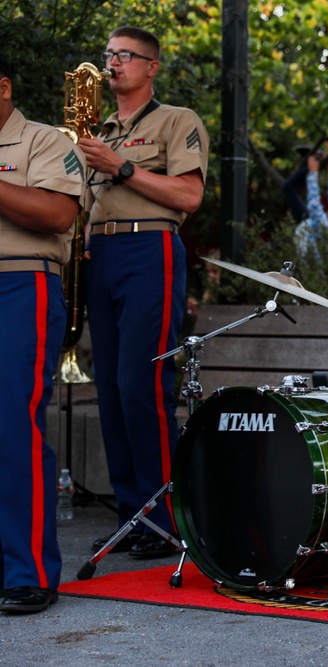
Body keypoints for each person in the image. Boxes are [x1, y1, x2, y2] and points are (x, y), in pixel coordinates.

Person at [78, 26, 209, 559]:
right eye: (108, 55)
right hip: (101, 256)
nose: (113, 64)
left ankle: (165, 516)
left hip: (148, 249)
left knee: (143, 382)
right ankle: (133, 515)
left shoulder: (177, 120)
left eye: (124, 56)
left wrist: (123, 167)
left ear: (151, 66)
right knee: (108, 387)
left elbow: (190, 195)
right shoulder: (98, 130)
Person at [0, 52, 85, 614]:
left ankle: (27, 571)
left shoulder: (45, 141)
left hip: (17, 284)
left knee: (12, 425)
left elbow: (58, 214)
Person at [293, 151, 328, 257]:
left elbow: (314, 203)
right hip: (304, 245)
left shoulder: (325, 225)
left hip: (310, 263)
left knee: (288, 189)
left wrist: (313, 173)